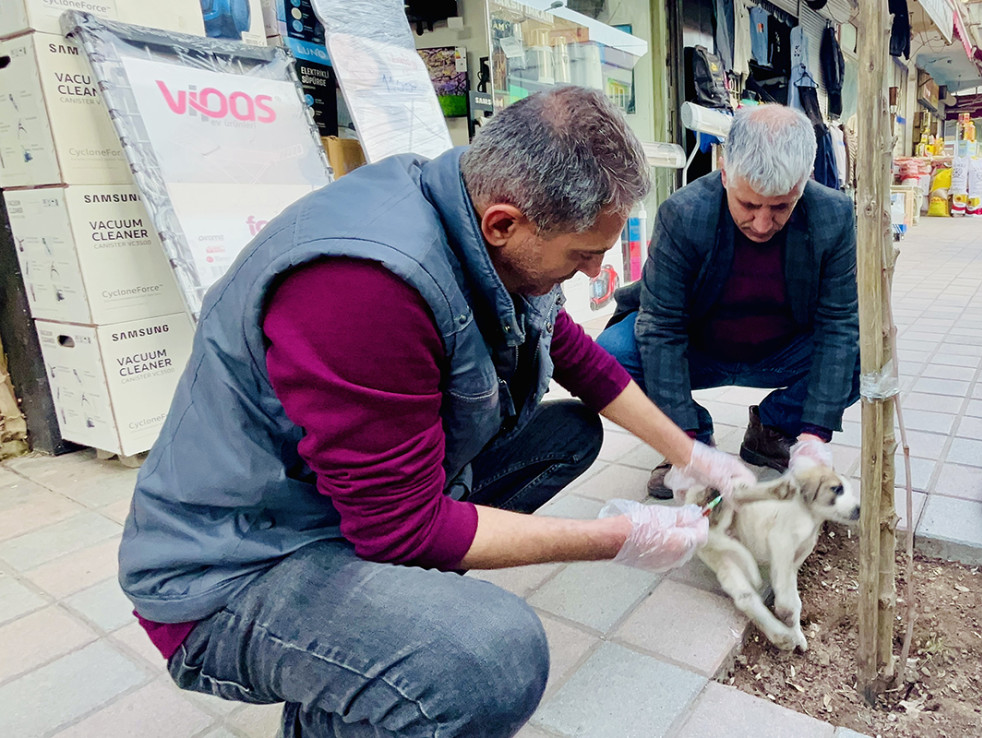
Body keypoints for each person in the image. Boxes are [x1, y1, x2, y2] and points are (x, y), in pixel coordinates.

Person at [117, 86, 757, 738]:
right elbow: (402, 531)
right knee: (491, 658)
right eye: (581, 254)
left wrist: (691, 452)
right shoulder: (367, 290)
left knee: (566, 435)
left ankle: (362, 654)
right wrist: (620, 538)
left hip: (331, 506)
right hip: (231, 569)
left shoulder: (474, 212)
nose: (596, 273)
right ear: (504, 223)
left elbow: (572, 353)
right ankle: (354, 682)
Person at [597, 104, 860, 499]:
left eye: (780, 207)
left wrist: (814, 435)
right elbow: (662, 328)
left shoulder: (834, 216)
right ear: (725, 172)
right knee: (610, 357)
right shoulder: (683, 214)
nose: (762, 224)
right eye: (749, 205)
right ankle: (695, 438)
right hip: (698, 348)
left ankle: (774, 429)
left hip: (783, 350)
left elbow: (839, 325)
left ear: (805, 183)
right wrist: (685, 444)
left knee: (867, 355)